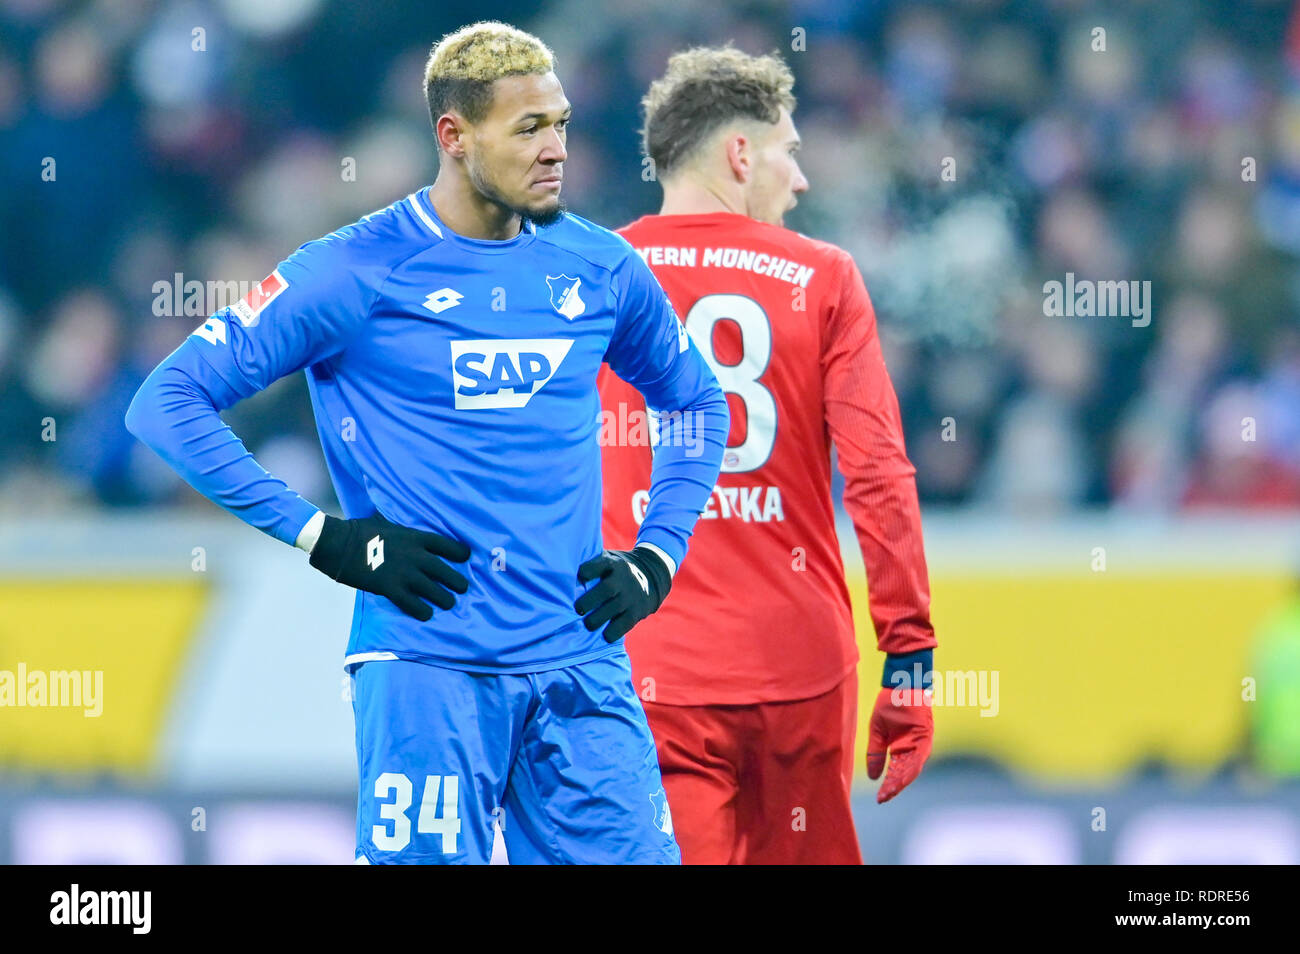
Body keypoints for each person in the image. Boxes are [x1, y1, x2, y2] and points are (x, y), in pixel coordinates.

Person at [125, 21, 728, 865]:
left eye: (559, 122)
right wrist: (324, 537)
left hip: (579, 663)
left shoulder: (601, 267)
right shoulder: (352, 270)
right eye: (528, 128)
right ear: (453, 136)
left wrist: (658, 556)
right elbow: (167, 402)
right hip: (427, 668)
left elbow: (697, 403)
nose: (556, 147)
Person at [598, 46, 936, 864]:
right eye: (790, 150)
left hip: (654, 671)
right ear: (739, 154)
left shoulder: (593, 273)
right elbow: (879, 475)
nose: (801, 178)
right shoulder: (823, 278)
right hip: (802, 675)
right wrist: (912, 659)